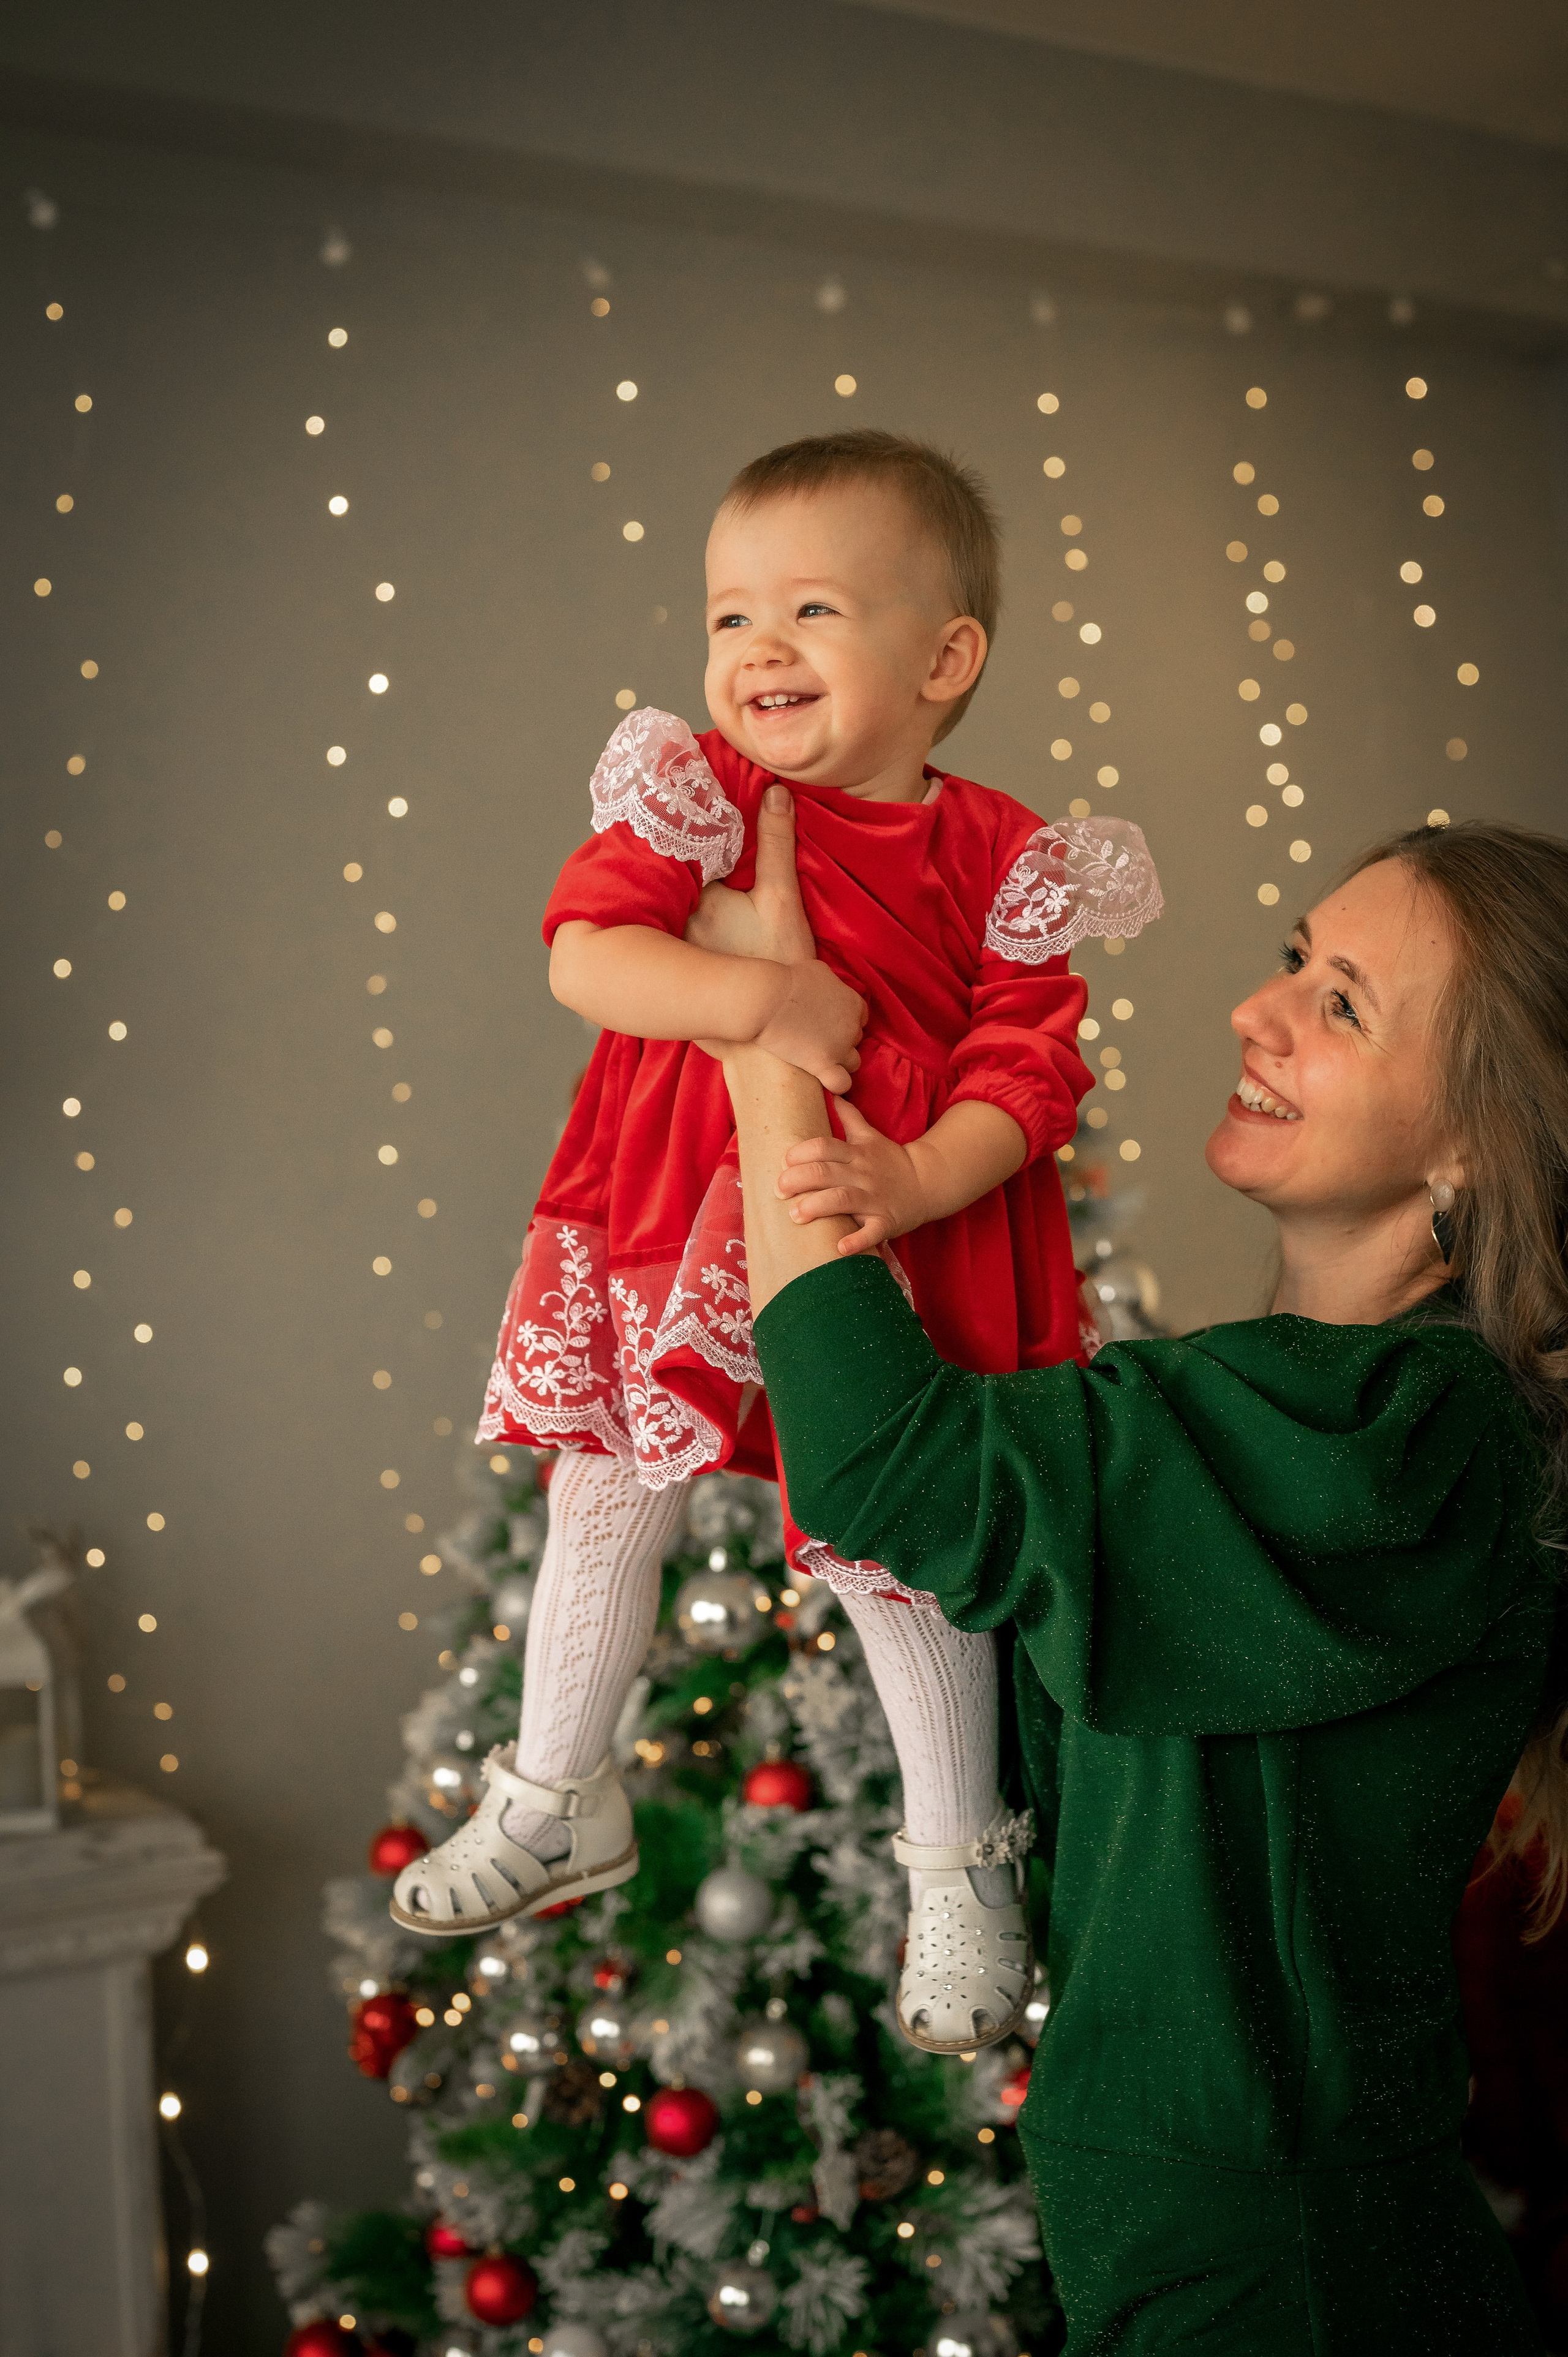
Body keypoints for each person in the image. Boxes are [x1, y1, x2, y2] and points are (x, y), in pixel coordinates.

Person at [722, 801, 1568, 2353]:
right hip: (1195, 2245)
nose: (1258, 1007)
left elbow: (885, 1462)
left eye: (1340, 1004)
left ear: (1473, 1135)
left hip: (1289, 2276)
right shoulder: (1280, 1406)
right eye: (1293, 960)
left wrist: (757, 1039)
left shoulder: (1408, 1430)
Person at [389, 429, 1161, 2056]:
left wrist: (926, 1177)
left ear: (946, 660)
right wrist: (761, 997)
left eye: (813, 608)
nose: (759, 651)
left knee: (894, 1546)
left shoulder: (997, 852)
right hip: (682, 1211)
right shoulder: (705, 803)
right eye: (730, 616)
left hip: (880, 1231)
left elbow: (1034, 1064)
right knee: (607, 1476)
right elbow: (586, 958)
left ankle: (960, 1866)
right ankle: (554, 1791)